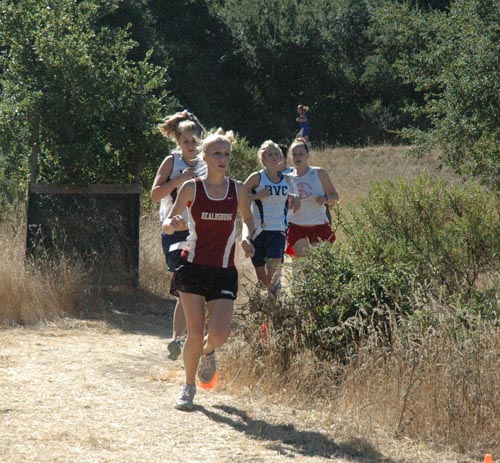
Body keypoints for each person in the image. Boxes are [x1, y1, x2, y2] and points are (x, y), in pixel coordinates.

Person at [162, 129, 255, 411]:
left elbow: (248, 220)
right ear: (205, 157)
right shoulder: (192, 188)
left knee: (219, 334)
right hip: (192, 267)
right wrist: (174, 224)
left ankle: (209, 350)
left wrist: (247, 237)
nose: (223, 158)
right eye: (217, 153)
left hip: (223, 270)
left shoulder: (237, 189)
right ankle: (188, 387)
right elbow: (168, 223)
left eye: (227, 154)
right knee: (195, 330)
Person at [151, 110, 207, 361]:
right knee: (183, 283)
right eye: (185, 142)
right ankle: (179, 338)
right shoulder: (172, 162)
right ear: (178, 142)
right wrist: (180, 181)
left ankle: (178, 339)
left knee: (190, 287)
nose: (190, 146)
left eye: (194, 142)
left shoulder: (208, 162)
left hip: (199, 231)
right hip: (173, 230)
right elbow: (154, 194)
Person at [244, 140, 298, 295]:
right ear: (263, 159)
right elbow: (239, 197)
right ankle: (263, 300)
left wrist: (295, 199)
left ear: (281, 157)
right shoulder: (257, 178)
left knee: (274, 272)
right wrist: (257, 196)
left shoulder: (287, 179)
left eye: (276, 153)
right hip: (258, 231)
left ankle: (274, 306)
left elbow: (292, 196)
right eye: (270, 154)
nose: (274, 157)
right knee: (263, 279)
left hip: (278, 231)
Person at [285, 138, 339, 258]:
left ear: (307, 155)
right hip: (297, 225)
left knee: (322, 264)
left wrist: (325, 199)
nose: (297, 157)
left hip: (319, 224)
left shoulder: (318, 173)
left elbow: (335, 196)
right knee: (304, 265)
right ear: (291, 157)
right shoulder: (287, 178)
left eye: (301, 154)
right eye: (294, 154)